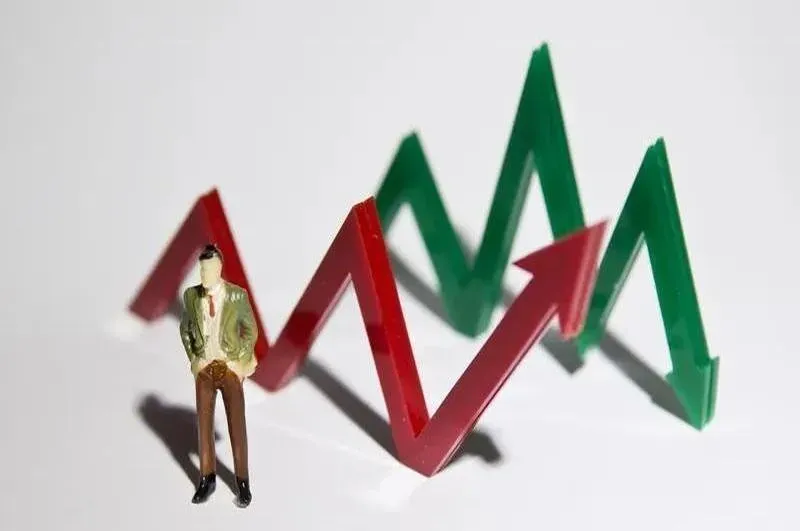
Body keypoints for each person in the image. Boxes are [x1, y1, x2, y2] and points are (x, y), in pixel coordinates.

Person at [179, 243, 258, 507]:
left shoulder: (236, 296)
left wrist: (239, 362)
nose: (205, 274)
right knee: (203, 425)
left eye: (210, 269)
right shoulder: (191, 296)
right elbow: (185, 329)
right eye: (202, 269)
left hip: (229, 368)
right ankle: (206, 477)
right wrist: (195, 360)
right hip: (205, 370)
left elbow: (250, 331)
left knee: (237, 425)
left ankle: (242, 482)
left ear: (220, 269)